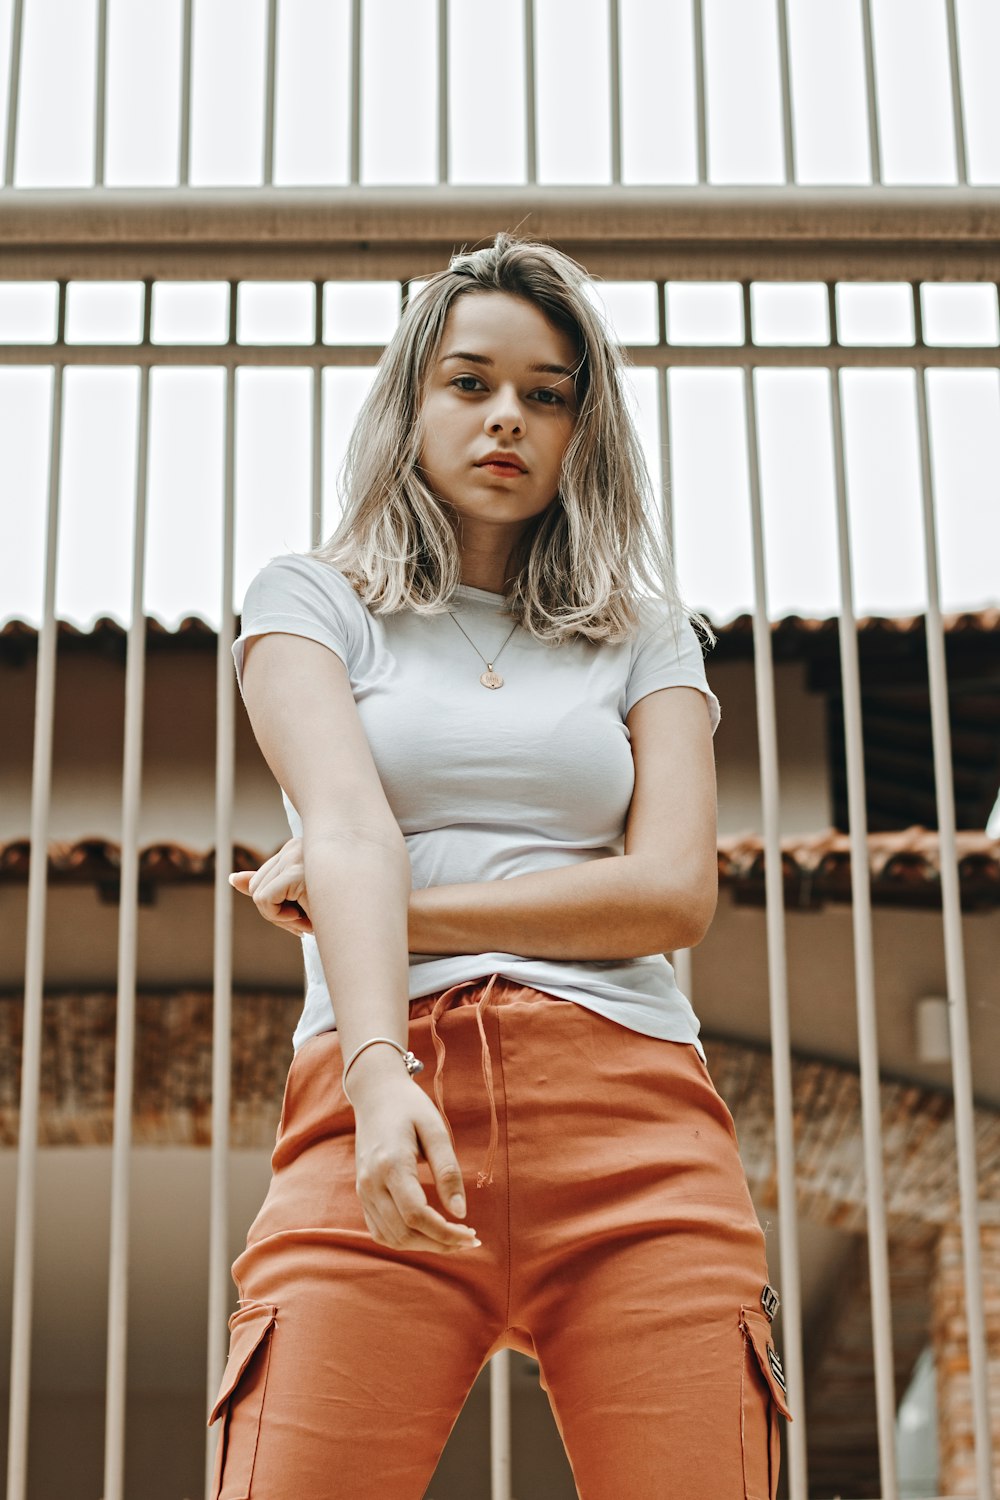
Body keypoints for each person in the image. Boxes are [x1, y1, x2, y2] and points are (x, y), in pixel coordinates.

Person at [212, 232, 792, 1499]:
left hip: (634, 1124)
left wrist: (384, 910)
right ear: (410, 401)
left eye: (547, 394)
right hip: (382, 1094)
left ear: (588, 431)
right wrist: (376, 1078)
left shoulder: (648, 636)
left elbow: (671, 894)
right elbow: (349, 824)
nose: (506, 420)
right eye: (469, 383)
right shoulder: (312, 601)